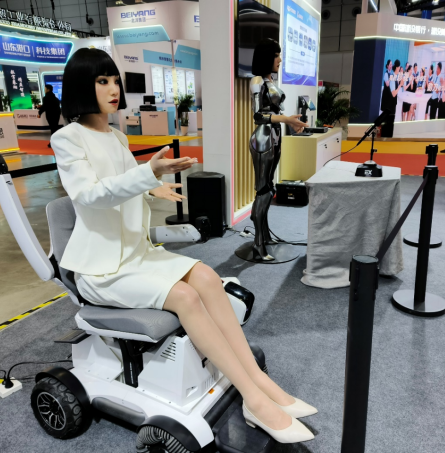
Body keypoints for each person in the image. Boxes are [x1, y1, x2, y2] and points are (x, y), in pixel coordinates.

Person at [51, 48, 316, 444]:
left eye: (114, 80)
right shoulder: (67, 139)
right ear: (80, 87)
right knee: (185, 297)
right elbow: (90, 195)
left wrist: (151, 188)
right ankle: (252, 396)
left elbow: (124, 188)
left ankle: (257, 379)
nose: (113, 88)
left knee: (206, 276)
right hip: (101, 269)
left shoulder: (117, 136)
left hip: (136, 256)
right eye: (102, 81)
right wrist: (147, 175)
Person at [249, 39, 307, 260]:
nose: (280, 60)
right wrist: (287, 119)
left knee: (268, 188)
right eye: (276, 55)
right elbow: (258, 116)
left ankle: (264, 236)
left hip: (273, 137)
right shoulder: (257, 81)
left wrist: (290, 123)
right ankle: (258, 244)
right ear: (266, 57)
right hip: (263, 139)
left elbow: (274, 112)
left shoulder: (269, 80)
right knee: (263, 191)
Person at [380, 59, 402, 137]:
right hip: (389, 103)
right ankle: (385, 137)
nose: (399, 69)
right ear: (397, 68)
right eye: (399, 67)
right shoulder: (389, 75)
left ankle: (387, 137)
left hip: (391, 103)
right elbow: (393, 93)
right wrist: (400, 85)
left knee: (389, 122)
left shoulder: (394, 76)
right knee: (388, 121)